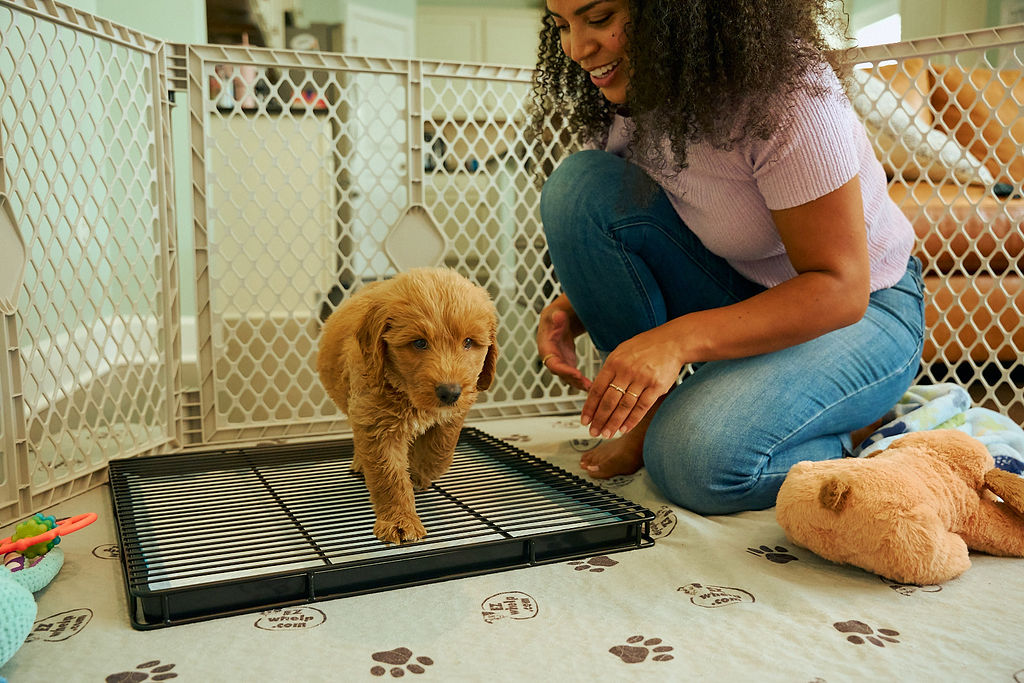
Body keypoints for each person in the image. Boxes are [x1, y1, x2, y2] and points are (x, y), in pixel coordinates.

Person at [530, 0, 925, 515]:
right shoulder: (622, 92)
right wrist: (574, 304)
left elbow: (840, 286)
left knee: (694, 462)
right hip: (740, 287)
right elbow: (621, 221)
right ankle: (650, 414)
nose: (576, 48)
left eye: (599, 18)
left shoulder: (787, 90)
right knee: (577, 188)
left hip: (864, 309)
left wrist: (676, 341)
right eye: (561, 25)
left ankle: (867, 439)